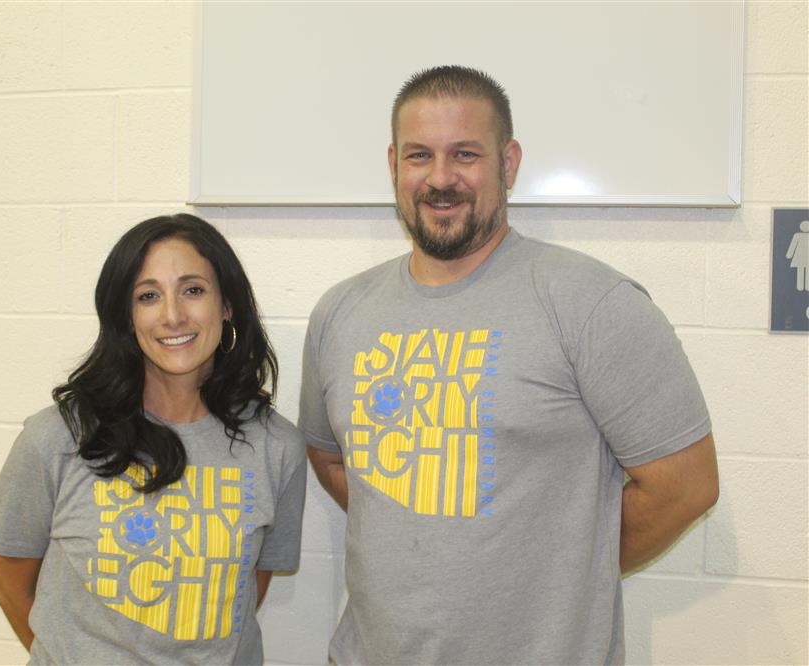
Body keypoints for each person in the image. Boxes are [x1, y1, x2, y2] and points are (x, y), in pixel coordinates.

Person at [299, 66, 718, 665]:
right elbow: (332, 459)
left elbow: (687, 487)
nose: (440, 178)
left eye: (465, 154)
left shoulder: (590, 303)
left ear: (509, 162)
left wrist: (563, 569)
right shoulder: (340, 312)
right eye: (420, 155)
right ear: (394, 162)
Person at [0, 213, 306, 665]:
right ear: (126, 314)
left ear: (227, 305)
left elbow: (238, 596)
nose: (173, 315)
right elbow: (10, 583)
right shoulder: (56, 437)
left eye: (193, 290)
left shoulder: (277, 447)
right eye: (148, 296)